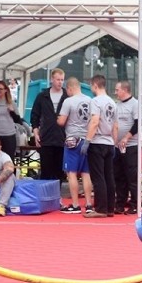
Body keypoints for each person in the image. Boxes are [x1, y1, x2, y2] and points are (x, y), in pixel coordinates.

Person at [81, 74, 118, 218]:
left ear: (95, 85)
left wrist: (87, 140)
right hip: (109, 142)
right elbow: (115, 126)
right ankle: (110, 208)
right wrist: (114, 143)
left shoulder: (95, 101)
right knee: (109, 176)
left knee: (98, 177)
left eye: (91, 86)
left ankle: (101, 208)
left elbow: (95, 122)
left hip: (97, 142)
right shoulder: (113, 103)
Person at [57, 77, 95, 214]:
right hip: (87, 139)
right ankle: (89, 204)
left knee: (71, 173)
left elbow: (61, 121)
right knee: (86, 173)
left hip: (72, 140)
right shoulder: (90, 100)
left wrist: (57, 119)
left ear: (70, 88)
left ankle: (75, 204)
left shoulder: (68, 101)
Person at [30, 68, 67, 182]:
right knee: (46, 171)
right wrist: (36, 133)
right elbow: (34, 116)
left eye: (62, 80)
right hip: (46, 138)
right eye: (57, 79)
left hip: (62, 138)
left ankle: (57, 196)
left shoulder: (67, 96)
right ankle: (45, 197)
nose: (60, 82)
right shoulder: (42, 96)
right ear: (52, 79)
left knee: (59, 172)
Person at [113, 80, 140, 215]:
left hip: (131, 146)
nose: (115, 92)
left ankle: (135, 204)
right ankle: (120, 203)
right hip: (118, 146)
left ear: (124, 90)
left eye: (117, 90)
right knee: (119, 176)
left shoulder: (135, 104)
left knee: (131, 176)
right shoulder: (117, 105)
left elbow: (137, 124)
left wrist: (126, 137)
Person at [0, 80, 25, 160]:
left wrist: (12, 112)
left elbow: (18, 120)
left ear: (6, 90)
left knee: (9, 159)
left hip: (9, 134)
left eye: (0, 89)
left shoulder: (11, 102)